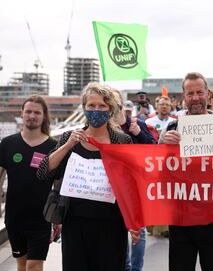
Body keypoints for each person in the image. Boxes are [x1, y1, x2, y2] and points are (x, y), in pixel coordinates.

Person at [37, 83, 134, 271]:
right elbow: (43, 172)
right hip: (75, 224)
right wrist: (67, 146)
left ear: (110, 109)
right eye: (91, 106)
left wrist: (134, 221)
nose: (96, 110)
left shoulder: (122, 141)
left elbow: (131, 184)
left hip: (112, 225)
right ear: (84, 108)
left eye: (102, 106)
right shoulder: (69, 137)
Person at [159, 72, 213, 271]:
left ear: (208, 93)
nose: (195, 98)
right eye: (190, 93)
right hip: (180, 215)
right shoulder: (171, 127)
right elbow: (158, 172)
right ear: (183, 96)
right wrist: (164, 147)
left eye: (199, 92)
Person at [0, 95, 58, 271]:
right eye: (28, 111)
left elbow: (58, 184)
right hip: (14, 216)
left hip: (41, 218)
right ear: (22, 114)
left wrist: (58, 218)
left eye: (37, 112)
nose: (32, 116)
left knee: (34, 265)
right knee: (21, 264)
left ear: (44, 116)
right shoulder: (8, 143)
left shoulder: (53, 147)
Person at [112, 89, 155, 271]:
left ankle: (136, 268)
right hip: (112, 189)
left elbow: (153, 150)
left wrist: (138, 133)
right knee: (116, 230)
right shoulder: (103, 128)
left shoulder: (137, 124)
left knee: (139, 230)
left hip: (135, 187)